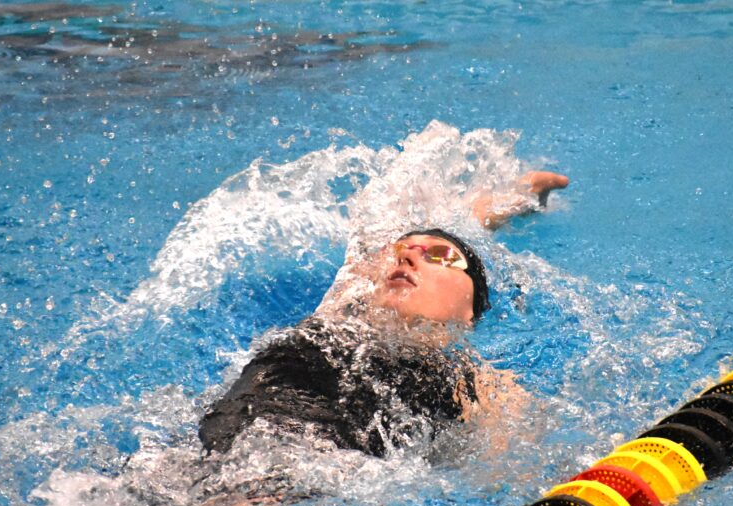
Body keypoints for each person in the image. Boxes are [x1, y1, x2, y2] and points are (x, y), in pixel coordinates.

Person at [197, 171, 569, 461]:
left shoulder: (477, 381)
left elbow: (518, 459)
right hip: (219, 446)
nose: (408, 257)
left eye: (440, 255)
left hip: (318, 476)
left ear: (470, 310)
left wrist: (520, 194)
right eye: (400, 251)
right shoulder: (340, 311)